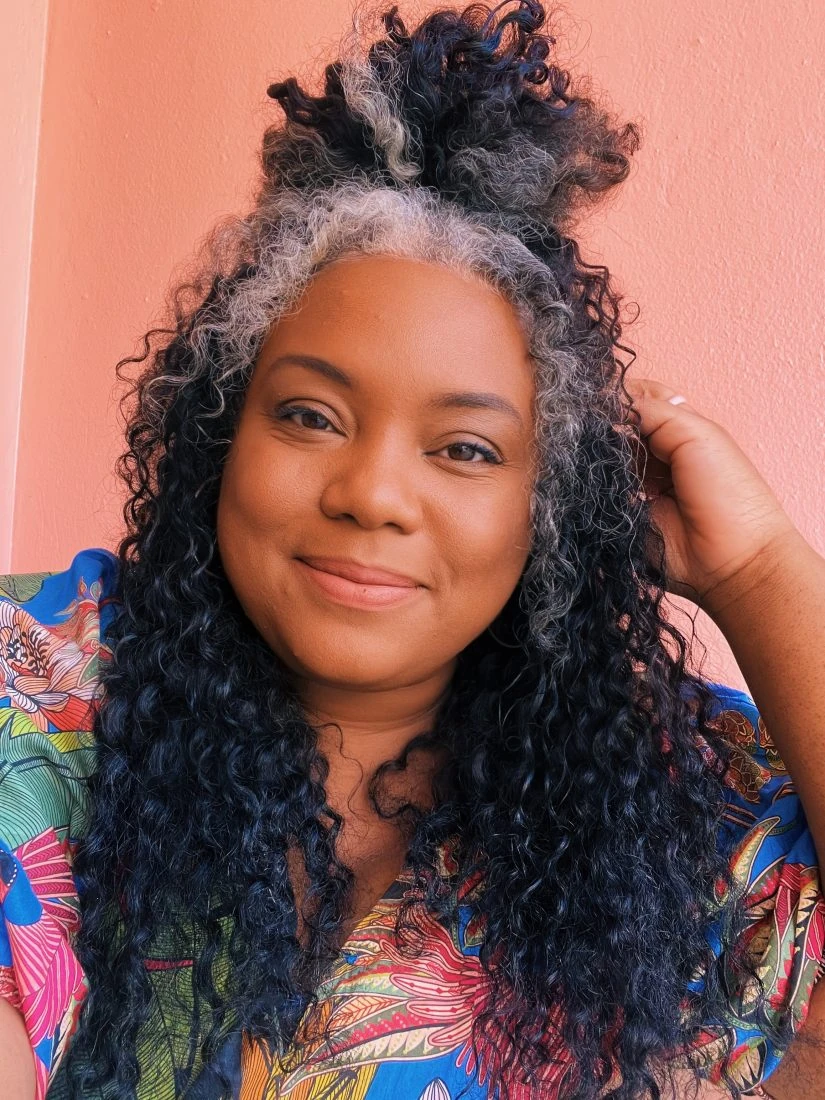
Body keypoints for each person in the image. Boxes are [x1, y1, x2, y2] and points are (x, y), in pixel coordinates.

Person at [1, 2, 824, 1098]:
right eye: (310, 416)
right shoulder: (38, 685)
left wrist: (759, 569)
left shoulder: (673, 811)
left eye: (466, 448)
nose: (373, 494)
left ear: (551, 507)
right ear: (219, 436)